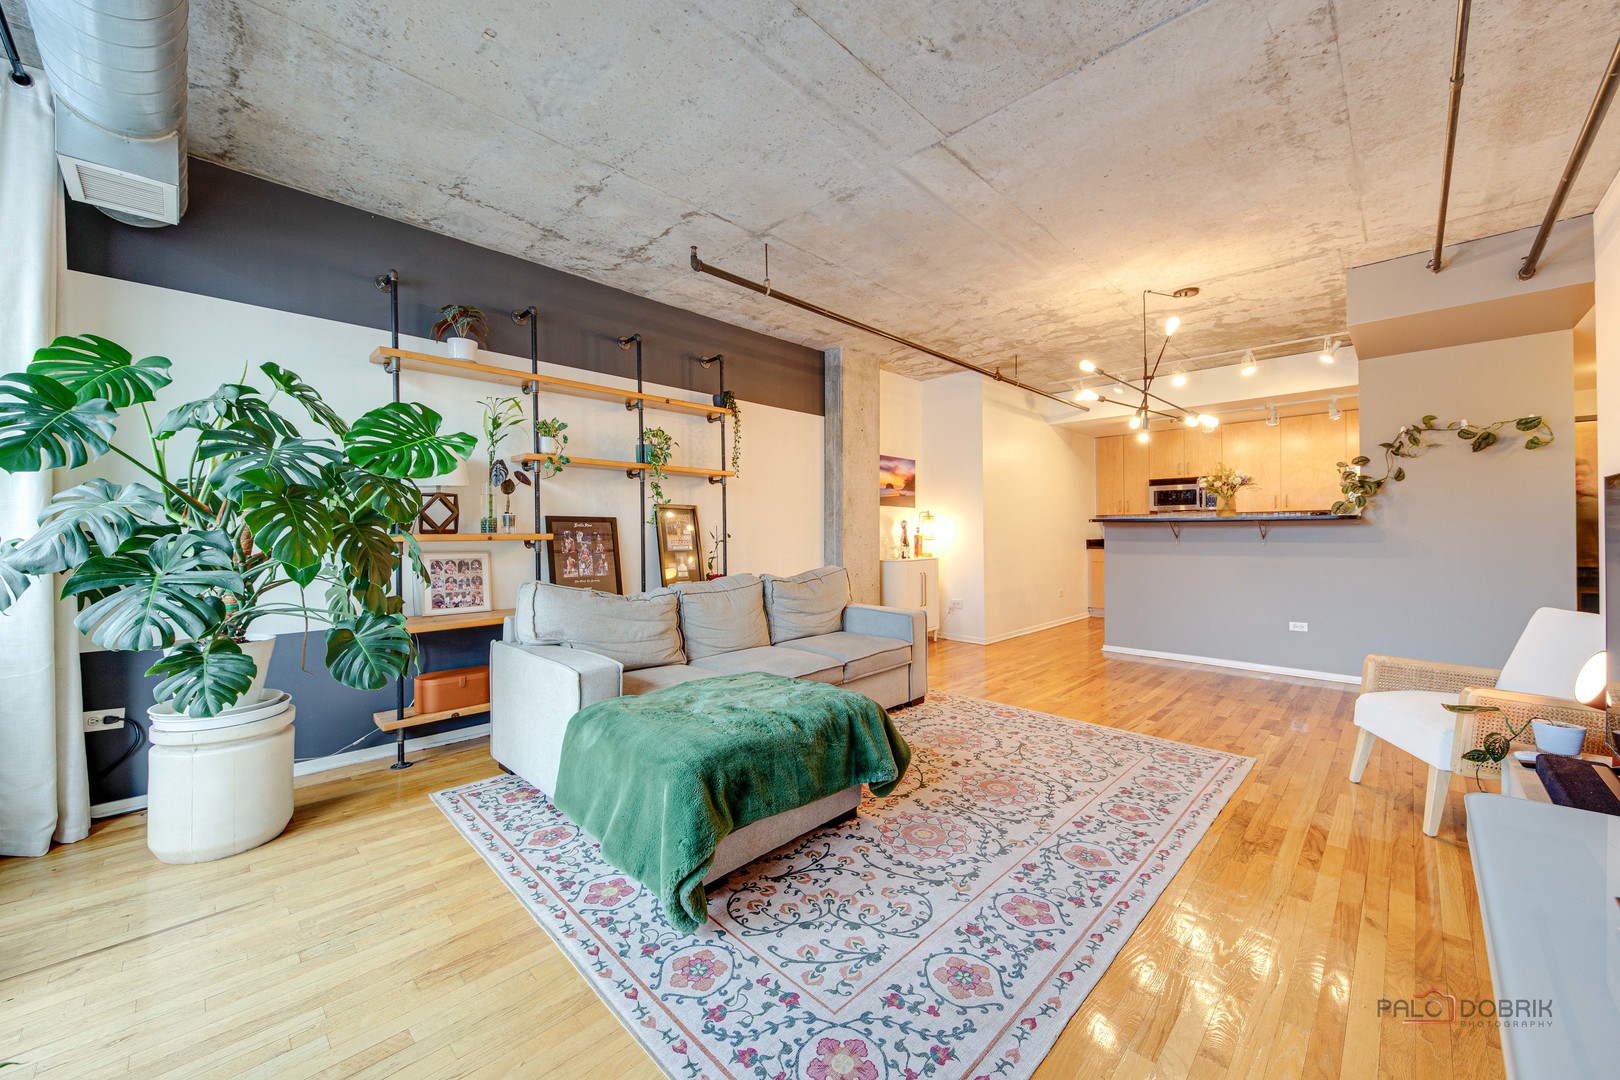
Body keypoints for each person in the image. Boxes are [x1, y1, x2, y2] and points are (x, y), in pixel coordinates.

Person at [1577, 458, 1600, 613]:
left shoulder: (1599, 501)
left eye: (1584, 474)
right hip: (1568, 566)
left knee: (1594, 612)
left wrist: (1596, 493)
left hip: (1594, 566)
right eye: (1574, 475)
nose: (1579, 478)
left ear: (1591, 477)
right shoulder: (1560, 502)